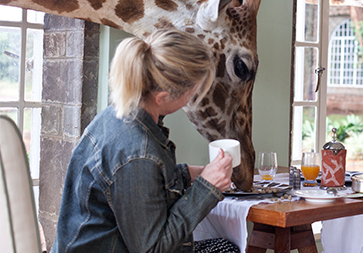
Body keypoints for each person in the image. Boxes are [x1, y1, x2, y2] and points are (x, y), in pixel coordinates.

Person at [51, 29, 239, 253]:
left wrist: (189, 174)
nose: (192, 99)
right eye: (192, 93)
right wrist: (206, 189)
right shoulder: (138, 152)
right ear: (163, 98)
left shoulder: (115, 116)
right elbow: (152, 249)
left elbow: (136, 192)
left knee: (224, 247)